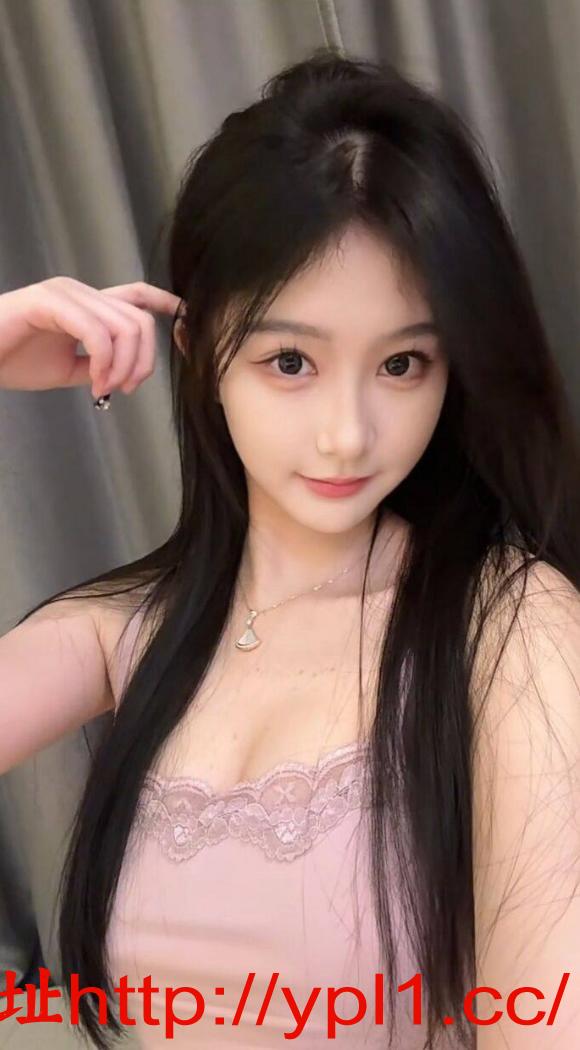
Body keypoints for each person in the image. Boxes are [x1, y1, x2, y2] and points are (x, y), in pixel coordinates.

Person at [1, 45, 579, 1050]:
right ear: (198, 356)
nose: (347, 435)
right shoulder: (127, 631)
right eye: (291, 361)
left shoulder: (512, 634)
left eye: (402, 363)